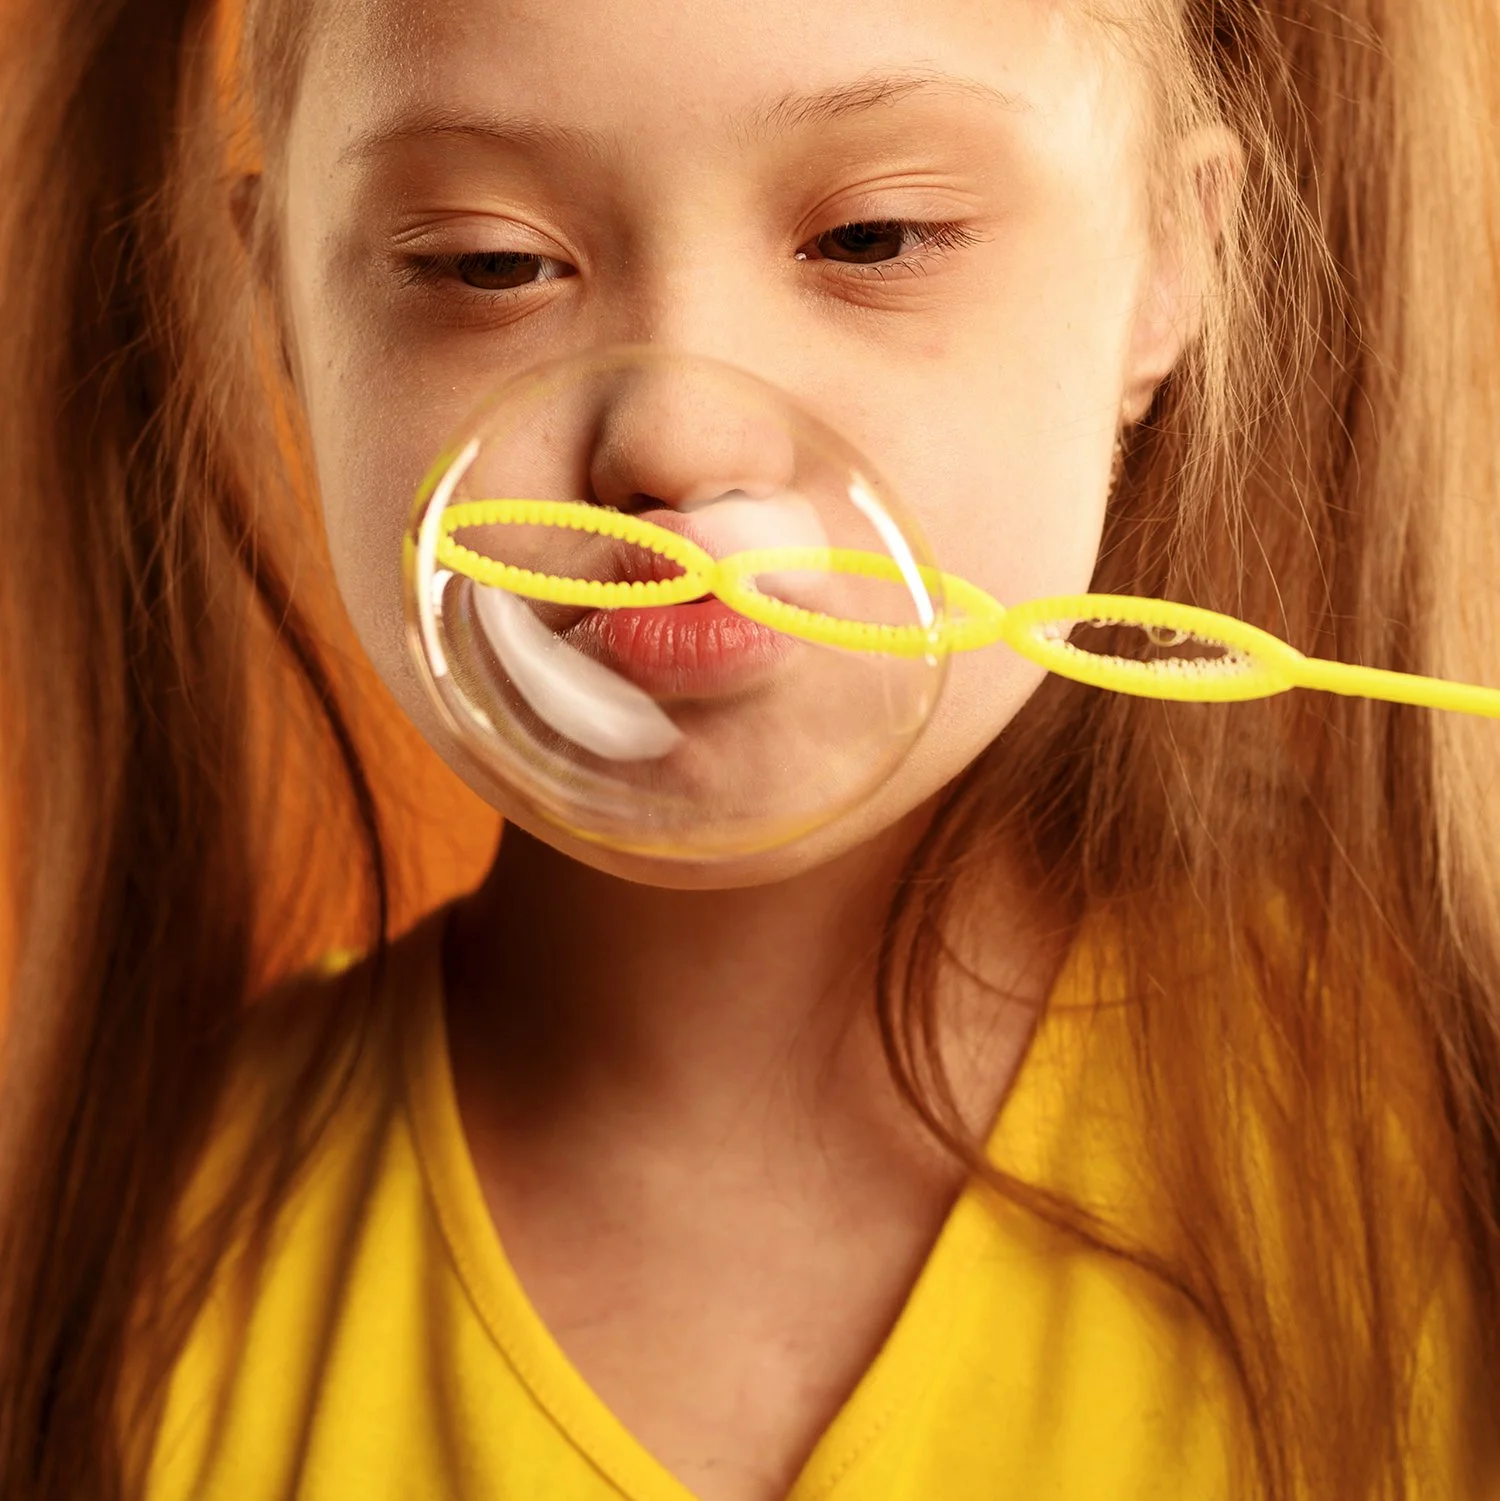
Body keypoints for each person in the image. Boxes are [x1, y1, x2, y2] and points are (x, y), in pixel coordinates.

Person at [1, 0, 1498, 1497]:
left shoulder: (1442, 1144)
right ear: (285, 307)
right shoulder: (127, 1281)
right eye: (488, 261)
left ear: (1169, 265)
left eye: (876, 238)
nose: (674, 440)